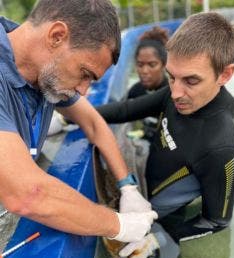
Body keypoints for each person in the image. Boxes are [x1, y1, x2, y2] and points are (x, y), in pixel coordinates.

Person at [0, 0, 157, 243]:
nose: (83, 91)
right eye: (85, 74)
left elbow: (93, 123)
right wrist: (118, 225)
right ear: (57, 36)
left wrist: (128, 187)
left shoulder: (42, 69)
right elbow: (27, 195)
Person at [95, 12, 234, 258]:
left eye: (191, 80)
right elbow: (127, 110)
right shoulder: (180, 94)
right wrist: (71, 116)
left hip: (168, 216)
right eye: (171, 76)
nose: (175, 93)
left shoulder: (221, 149)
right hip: (145, 188)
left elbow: (217, 221)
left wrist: (157, 238)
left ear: (225, 75)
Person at [128, 26, 169, 100]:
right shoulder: (134, 92)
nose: (144, 71)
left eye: (152, 65)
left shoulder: (172, 94)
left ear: (164, 64)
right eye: (140, 65)